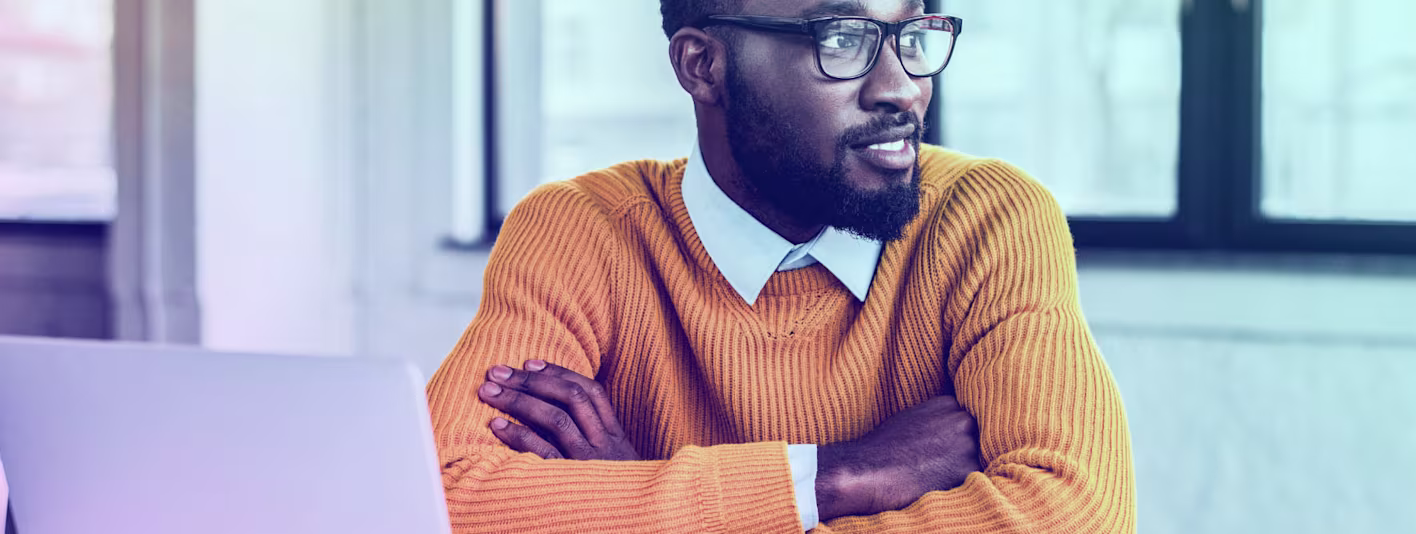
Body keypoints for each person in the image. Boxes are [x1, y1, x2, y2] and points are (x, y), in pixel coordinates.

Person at [425, 0, 1135, 531]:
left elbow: (1071, 516)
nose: (901, 88)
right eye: (843, 38)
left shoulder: (988, 219)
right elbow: (436, 500)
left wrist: (637, 494)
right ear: (702, 66)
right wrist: (833, 475)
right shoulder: (582, 232)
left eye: (910, 34)